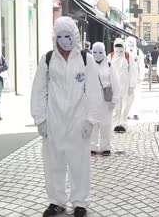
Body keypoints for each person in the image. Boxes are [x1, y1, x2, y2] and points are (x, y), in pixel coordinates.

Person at [30, 16, 100, 217]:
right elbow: (39, 90)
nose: (64, 40)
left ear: (75, 36)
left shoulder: (86, 59)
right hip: (54, 121)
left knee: (79, 165)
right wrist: (40, 119)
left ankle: (80, 203)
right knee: (54, 165)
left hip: (79, 121)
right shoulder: (48, 59)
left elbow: (94, 91)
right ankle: (56, 202)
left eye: (67, 36)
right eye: (59, 36)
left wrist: (90, 120)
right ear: (54, 37)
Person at [90, 42, 120, 156]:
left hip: (105, 100)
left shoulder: (109, 65)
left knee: (106, 124)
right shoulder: (88, 64)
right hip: (92, 100)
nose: (97, 55)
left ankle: (105, 146)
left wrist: (115, 99)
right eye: (95, 52)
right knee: (92, 123)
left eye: (100, 52)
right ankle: (92, 146)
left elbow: (115, 83)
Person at [108, 38, 137, 132]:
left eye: (121, 51)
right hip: (114, 85)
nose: (119, 53)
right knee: (116, 106)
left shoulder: (128, 57)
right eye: (117, 51)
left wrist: (132, 85)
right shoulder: (110, 56)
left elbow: (133, 71)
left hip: (125, 85)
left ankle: (123, 123)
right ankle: (115, 124)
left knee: (125, 105)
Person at [125, 36, 146, 120]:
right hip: (126, 78)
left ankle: (135, 113)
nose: (130, 46)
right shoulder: (124, 52)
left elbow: (141, 65)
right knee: (127, 96)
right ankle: (127, 113)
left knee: (136, 96)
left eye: (132, 44)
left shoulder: (138, 52)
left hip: (136, 78)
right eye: (129, 44)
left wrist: (141, 77)